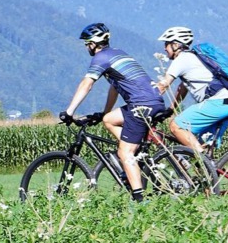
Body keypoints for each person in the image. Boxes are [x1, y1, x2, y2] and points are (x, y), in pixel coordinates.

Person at [60, 23, 169, 201]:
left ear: (93, 44)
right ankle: (136, 150)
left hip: (140, 105)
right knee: (109, 120)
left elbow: (86, 84)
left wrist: (69, 111)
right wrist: (104, 112)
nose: (86, 47)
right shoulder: (118, 53)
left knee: (125, 153)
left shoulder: (100, 58)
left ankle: (139, 200)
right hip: (154, 101)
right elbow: (115, 88)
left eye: (87, 43)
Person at [154, 26, 228, 155]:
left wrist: (145, 100)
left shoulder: (182, 59)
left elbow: (164, 84)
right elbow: (182, 88)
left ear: (175, 45)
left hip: (217, 103)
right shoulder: (192, 58)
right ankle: (209, 168)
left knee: (176, 126)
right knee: (199, 144)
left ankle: (204, 160)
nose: (164, 48)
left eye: (166, 44)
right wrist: (171, 109)